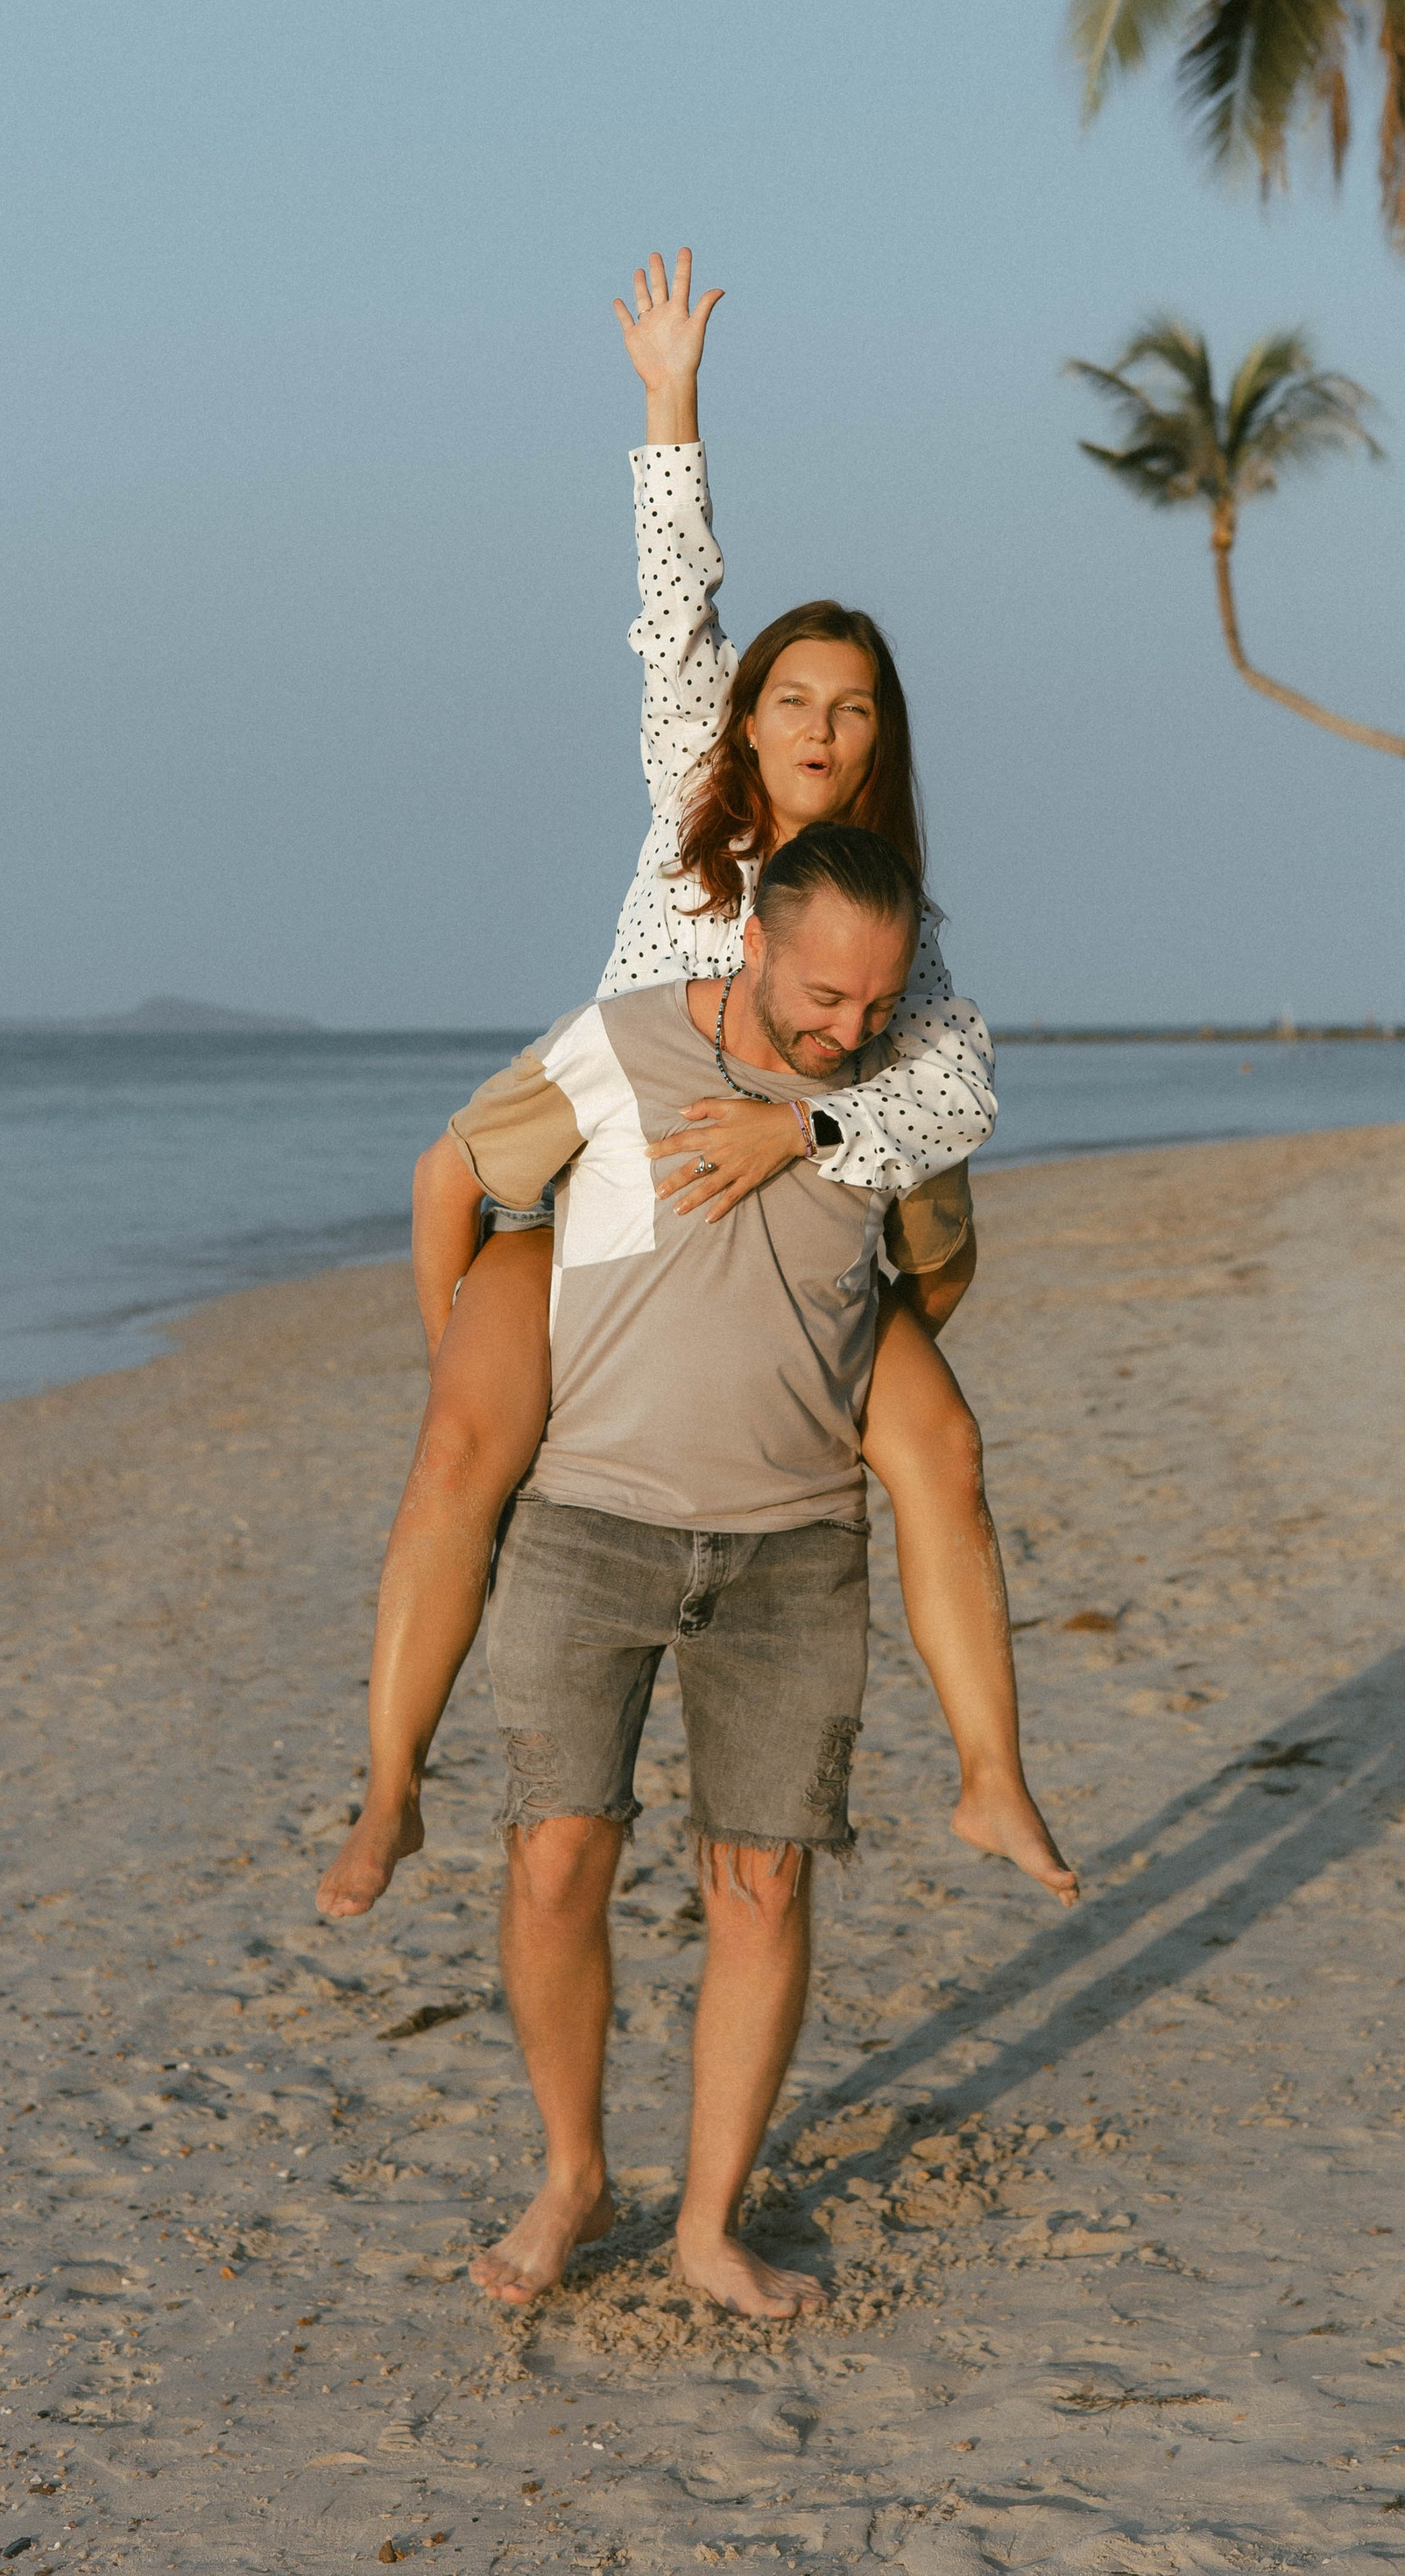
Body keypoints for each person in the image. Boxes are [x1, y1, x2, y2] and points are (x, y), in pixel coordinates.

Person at [319, 248, 1072, 1924]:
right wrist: (672, 399)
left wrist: (805, 1124)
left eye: (852, 709)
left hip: (793, 1261)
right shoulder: (690, 801)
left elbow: (957, 1094)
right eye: (792, 698)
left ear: (879, 742)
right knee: (460, 1450)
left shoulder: (896, 934)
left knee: (944, 1450)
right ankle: (387, 1793)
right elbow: (677, 604)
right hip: (602, 1209)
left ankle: (993, 1775)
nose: (819, 725)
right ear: (749, 720)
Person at [427, 825, 974, 2313]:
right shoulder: (614, 1047)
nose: (849, 1030)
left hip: (797, 1546)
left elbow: (940, 1263)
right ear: (753, 943)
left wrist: (835, 1357)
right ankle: (572, 2178)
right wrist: (462, 1371)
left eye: (879, 1003)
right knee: (555, 1858)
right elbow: (459, 1178)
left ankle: (709, 2227)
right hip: (586, 1520)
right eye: (824, 997)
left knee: (763, 1882)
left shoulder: (894, 1097)